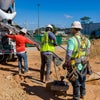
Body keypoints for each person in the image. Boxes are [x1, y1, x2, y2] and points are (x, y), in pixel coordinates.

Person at [63, 21, 91, 100]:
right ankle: (83, 94)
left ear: (74, 29)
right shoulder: (87, 40)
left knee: (75, 82)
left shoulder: (72, 40)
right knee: (83, 80)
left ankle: (76, 97)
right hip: (84, 64)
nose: (71, 31)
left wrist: (66, 63)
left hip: (74, 65)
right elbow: (88, 53)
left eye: (71, 29)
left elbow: (69, 54)